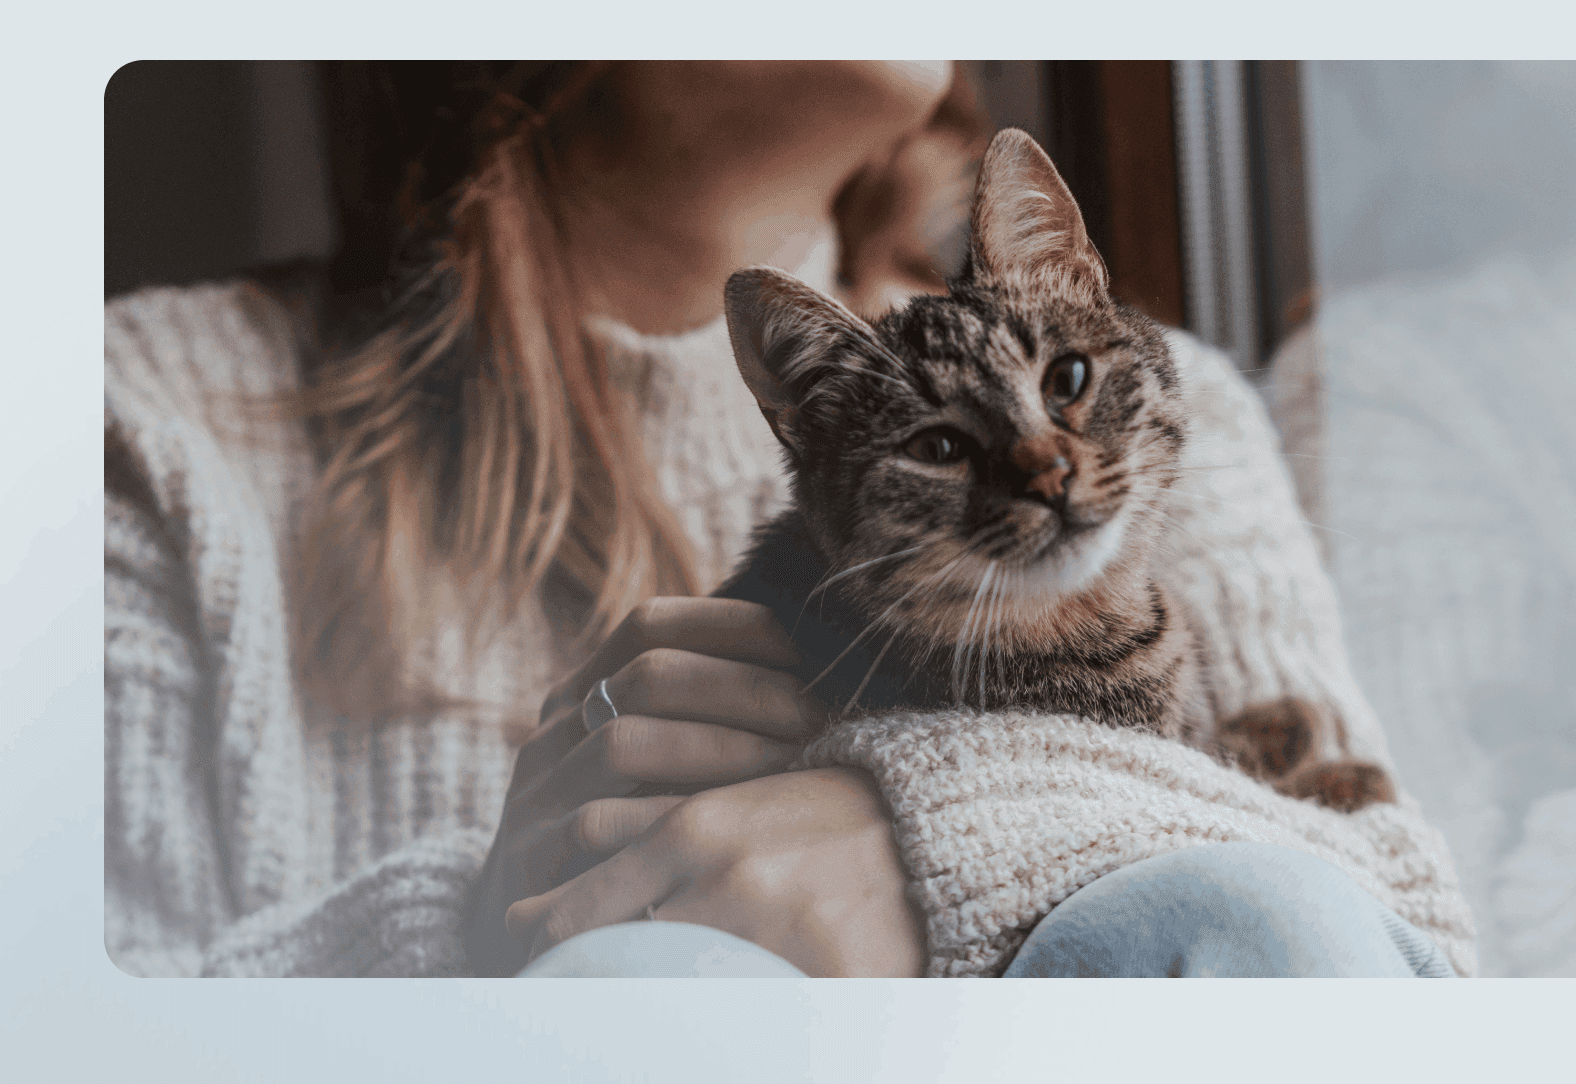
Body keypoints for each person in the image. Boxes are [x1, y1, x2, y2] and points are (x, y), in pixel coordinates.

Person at [104, 61, 1476, 978]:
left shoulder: (1178, 428)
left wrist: (928, 836)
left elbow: (1407, 928)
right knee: (655, 975)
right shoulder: (136, 421)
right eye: (946, 446)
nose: (1051, 468)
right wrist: (485, 938)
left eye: (1060, 401)